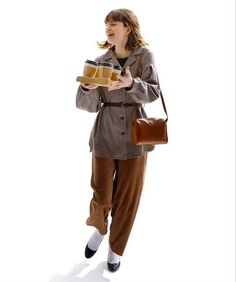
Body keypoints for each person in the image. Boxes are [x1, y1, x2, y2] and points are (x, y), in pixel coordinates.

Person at [76, 8, 161, 272]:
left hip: (136, 137)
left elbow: (155, 92)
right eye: (106, 25)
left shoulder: (144, 56)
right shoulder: (101, 60)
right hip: (105, 135)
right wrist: (86, 88)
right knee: (102, 196)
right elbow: (88, 106)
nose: (108, 29)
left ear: (127, 26)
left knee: (127, 199)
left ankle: (115, 248)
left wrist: (130, 84)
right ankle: (100, 228)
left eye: (113, 24)